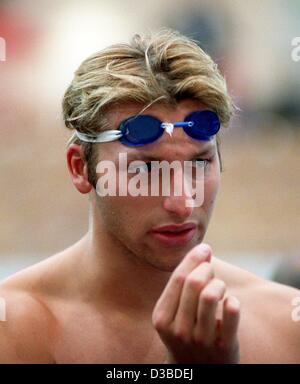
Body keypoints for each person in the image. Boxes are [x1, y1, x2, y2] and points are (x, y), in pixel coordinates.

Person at [0, 29, 299, 364]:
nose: (182, 201)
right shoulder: (12, 329)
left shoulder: (287, 326)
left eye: (199, 163)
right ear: (80, 168)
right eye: (144, 169)